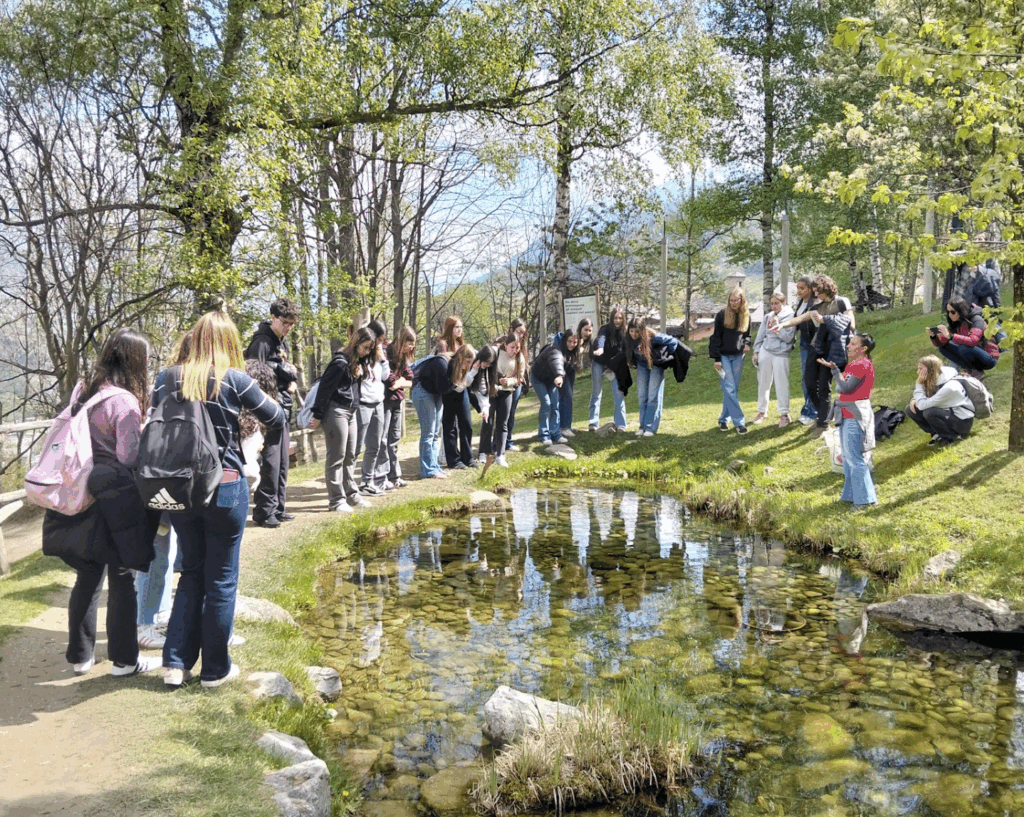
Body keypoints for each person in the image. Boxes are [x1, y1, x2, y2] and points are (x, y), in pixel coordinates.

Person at [156, 311, 284, 687]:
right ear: (229, 343)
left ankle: (175, 665)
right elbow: (275, 416)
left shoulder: (166, 378)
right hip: (225, 485)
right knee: (223, 580)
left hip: (180, 488)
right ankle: (215, 670)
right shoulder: (235, 379)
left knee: (191, 572)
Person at [46, 329, 161, 677]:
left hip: (81, 492)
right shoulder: (124, 401)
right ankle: (125, 661)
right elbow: (128, 456)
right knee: (122, 576)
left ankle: (80, 657)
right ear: (135, 361)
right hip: (114, 497)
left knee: (88, 574)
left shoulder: (84, 390)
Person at [777, 275, 855, 437]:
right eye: (814, 292)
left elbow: (850, 323)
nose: (816, 295)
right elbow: (800, 318)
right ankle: (824, 415)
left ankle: (822, 424)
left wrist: (826, 319)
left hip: (833, 350)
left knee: (824, 387)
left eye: (818, 292)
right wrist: (782, 324)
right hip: (816, 348)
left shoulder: (842, 301)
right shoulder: (817, 306)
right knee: (810, 383)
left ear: (826, 288)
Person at [244, 297, 299, 528]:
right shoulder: (262, 342)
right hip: (267, 411)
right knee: (271, 462)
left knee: (282, 462)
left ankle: (278, 507)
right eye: (284, 322)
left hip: (282, 408)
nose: (287, 328)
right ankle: (264, 512)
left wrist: (289, 383)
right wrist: (281, 385)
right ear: (274, 318)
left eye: (291, 324)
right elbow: (253, 378)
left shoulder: (281, 341)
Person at [309, 328, 375, 511]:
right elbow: (324, 390)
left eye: (370, 349)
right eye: (365, 347)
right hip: (336, 411)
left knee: (350, 455)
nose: (367, 352)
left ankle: (352, 495)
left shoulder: (357, 364)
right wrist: (317, 415)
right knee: (336, 456)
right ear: (356, 343)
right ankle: (336, 501)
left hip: (351, 412)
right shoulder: (339, 363)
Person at [819, 333, 877, 509]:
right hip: (846, 413)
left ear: (864, 348)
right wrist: (839, 375)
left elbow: (844, 387)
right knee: (847, 457)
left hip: (856, 415)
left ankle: (866, 500)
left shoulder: (862, 365)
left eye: (853, 344)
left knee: (854, 457)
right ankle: (851, 495)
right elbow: (841, 388)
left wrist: (835, 371)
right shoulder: (852, 365)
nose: (848, 346)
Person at [411, 345, 477, 479]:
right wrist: (456, 384)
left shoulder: (456, 367)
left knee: (435, 433)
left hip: (435, 394)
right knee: (428, 433)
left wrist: (458, 383)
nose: (469, 366)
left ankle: (434, 467)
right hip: (423, 391)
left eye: (471, 362)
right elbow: (444, 388)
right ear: (461, 357)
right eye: (467, 362)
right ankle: (427, 470)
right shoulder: (443, 363)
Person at [625, 317, 679, 436]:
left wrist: (666, 357)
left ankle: (650, 427)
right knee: (642, 395)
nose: (634, 334)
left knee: (653, 395)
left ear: (642, 330)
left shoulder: (654, 337)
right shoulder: (629, 339)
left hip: (656, 365)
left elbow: (673, 342)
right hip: (642, 366)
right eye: (631, 331)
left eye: (637, 331)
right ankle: (642, 426)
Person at [481, 334, 525, 474]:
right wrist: (497, 379)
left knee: (503, 423)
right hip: (493, 390)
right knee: (488, 420)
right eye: (512, 347)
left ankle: (500, 454)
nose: (515, 350)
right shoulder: (496, 352)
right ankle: (484, 451)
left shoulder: (520, 358)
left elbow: (519, 378)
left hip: (507, 392)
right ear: (506, 345)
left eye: (517, 347)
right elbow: (487, 369)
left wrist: (509, 382)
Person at [907, 355, 975, 445]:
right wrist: (914, 399)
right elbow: (924, 399)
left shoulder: (949, 387)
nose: (918, 372)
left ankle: (952, 437)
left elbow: (922, 405)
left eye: (921, 369)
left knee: (929, 412)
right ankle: (937, 433)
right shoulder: (935, 379)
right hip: (949, 414)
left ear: (931, 371)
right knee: (910, 409)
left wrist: (918, 384)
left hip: (962, 423)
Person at [709, 288, 751, 434]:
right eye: (731, 300)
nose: (733, 303)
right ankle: (739, 422)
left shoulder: (745, 314)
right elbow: (715, 337)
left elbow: (747, 334)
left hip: (738, 356)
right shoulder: (722, 314)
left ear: (742, 300)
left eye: (736, 300)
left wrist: (747, 343)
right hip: (723, 356)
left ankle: (723, 419)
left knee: (733, 390)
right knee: (729, 388)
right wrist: (717, 358)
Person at [378, 325, 416, 489]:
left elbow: (410, 379)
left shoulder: (403, 356)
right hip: (385, 400)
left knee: (394, 439)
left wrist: (401, 383)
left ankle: (395, 475)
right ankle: (383, 476)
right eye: (409, 344)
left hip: (397, 400)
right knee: (383, 439)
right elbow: (390, 381)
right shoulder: (387, 352)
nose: (410, 348)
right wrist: (400, 382)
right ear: (402, 340)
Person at [752, 290, 796, 427]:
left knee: (781, 384)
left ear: (783, 302)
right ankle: (762, 411)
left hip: (781, 353)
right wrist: (756, 351)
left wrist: (778, 327)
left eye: (776, 303)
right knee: (763, 383)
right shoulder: (768, 316)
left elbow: (788, 338)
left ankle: (784, 414)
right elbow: (760, 335)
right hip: (766, 351)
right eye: (771, 304)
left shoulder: (791, 316)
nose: (774, 306)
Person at [356, 319, 391, 494]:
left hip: (378, 402)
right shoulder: (361, 353)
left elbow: (386, 377)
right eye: (380, 339)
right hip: (363, 403)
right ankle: (345, 484)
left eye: (383, 340)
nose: (381, 343)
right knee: (356, 446)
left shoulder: (380, 354)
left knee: (375, 445)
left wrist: (382, 360)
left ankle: (366, 482)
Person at [928, 296, 999, 379]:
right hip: (972, 352)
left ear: (960, 311)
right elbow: (942, 342)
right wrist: (934, 337)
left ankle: (975, 371)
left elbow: (973, 340)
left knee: (964, 346)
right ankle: (970, 369)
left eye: (953, 312)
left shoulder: (977, 319)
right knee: (943, 348)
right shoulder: (955, 323)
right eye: (948, 312)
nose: (950, 315)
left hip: (989, 358)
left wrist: (951, 336)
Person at [439, 316, 475, 468]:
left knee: (466, 422)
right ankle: (454, 460)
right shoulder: (443, 344)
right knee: (450, 425)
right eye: (456, 327)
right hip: (448, 387)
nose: (459, 330)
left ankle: (468, 457)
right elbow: (441, 359)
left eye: (461, 327)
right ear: (449, 328)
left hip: (462, 386)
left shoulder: (462, 344)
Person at [588, 308, 627, 431]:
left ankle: (621, 424)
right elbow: (601, 338)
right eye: (615, 318)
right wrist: (600, 348)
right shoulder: (605, 329)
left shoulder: (624, 333)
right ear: (611, 318)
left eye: (620, 318)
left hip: (615, 366)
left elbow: (624, 351)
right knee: (596, 393)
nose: (617, 320)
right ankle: (593, 424)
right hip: (600, 363)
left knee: (619, 393)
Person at [792, 276, 820, 425]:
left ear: (810, 288)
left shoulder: (815, 304)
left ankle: (811, 412)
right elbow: (797, 322)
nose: (799, 291)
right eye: (798, 288)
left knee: (811, 378)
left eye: (802, 288)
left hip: (814, 344)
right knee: (805, 378)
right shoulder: (801, 303)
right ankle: (810, 410)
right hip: (803, 343)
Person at [530, 336, 569, 446]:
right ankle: (544, 435)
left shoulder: (569, 352)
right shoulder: (555, 350)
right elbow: (556, 361)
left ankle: (555, 433)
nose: (572, 344)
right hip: (538, 377)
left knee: (555, 404)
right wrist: (559, 375)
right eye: (569, 341)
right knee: (546, 403)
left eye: (574, 342)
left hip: (551, 379)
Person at [558, 318, 593, 438]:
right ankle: (564, 427)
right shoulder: (573, 336)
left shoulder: (586, 342)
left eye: (589, 330)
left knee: (568, 395)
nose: (587, 332)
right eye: (585, 329)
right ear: (580, 328)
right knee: (566, 395)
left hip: (571, 369)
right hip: (562, 369)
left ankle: (566, 424)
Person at [504, 317, 530, 451]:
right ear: (511, 330)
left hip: (517, 383)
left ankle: (508, 440)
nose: (521, 335)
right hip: (504, 383)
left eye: (523, 333)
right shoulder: (503, 343)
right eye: (519, 332)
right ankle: (498, 441)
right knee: (503, 413)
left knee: (512, 411)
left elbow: (524, 364)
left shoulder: (523, 346)